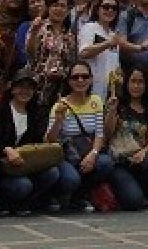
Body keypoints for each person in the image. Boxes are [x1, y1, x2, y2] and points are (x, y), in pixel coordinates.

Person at [0, 69, 63, 215]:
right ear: (12, 88)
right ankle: (3, 201)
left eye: (30, 87)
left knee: (52, 173)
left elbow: (41, 141)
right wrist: (7, 150)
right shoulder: (1, 109)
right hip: (4, 164)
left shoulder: (38, 112)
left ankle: (27, 202)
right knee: (23, 185)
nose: (25, 91)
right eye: (21, 86)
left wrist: (58, 122)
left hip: (27, 163)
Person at [45, 61, 115, 212]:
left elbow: (99, 133)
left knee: (105, 162)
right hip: (67, 156)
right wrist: (58, 121)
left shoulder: (96, 101)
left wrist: (93, 153)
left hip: (87, 151)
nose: (80, 81)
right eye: (75, 77)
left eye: (84, 76)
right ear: (69, 81)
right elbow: (49, 140)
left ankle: (81, 194)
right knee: (71, 179)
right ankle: (62, 193)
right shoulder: (60, 105)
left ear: (90, 79)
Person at [105, 65, 148, 210]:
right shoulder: (118, 104)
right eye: (133, 81)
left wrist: (144, 152)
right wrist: (112, 112)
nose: (136, 86)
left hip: (140, 158)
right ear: (126, 83)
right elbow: (107, 134)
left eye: (140, 82)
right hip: (119, 162)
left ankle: (142, 190)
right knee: (134, 201)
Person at [27, 0, 78, 109]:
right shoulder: (39, 28)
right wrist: (34, 32)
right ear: (48, 8)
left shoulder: (70, 36)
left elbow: (71, 63)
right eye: (55, 5)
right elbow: (30, 53)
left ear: (67, 10)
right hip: (38, 88)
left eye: (63, 6)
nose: (59, 9)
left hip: (60, 91)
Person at [78, 0, 122, 101]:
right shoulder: (89, 27)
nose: (110, 10)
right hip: (90, 90)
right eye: (106, 7)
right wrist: (107, 44)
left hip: (109, 93)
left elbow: (115, 64)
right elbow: (83, 53)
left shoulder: (113, 35)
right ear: (97, 9)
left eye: (114, 8)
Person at [13, 0, 45, 70]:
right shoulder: (24, 27)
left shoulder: (54, 24)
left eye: (38, 1)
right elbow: (22, 53)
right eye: (32, 2)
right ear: (28, 8)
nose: (36, 4)